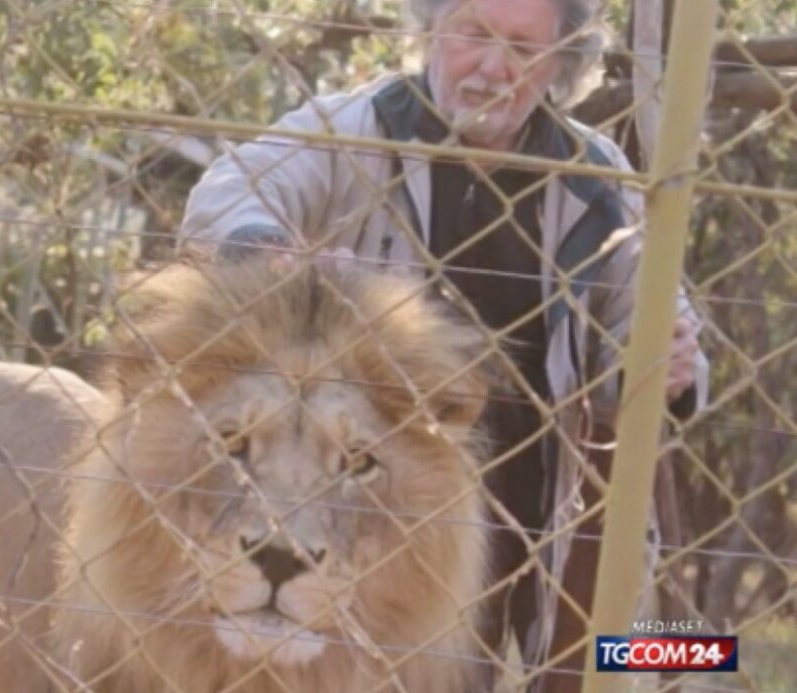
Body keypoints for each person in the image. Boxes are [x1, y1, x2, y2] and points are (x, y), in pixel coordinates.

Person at [178, 0, 709, 690]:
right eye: (473, 35)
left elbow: (655, 310)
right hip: (381, 479)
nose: (492, 67)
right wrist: (269, 257)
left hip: (539, 479)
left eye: (522, 48)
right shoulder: (351, 128)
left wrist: (664, 364)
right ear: (432, 31)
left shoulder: (595, 173)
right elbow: (228, 194)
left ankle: (686, 661)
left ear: (562, 64)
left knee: (604, 657)